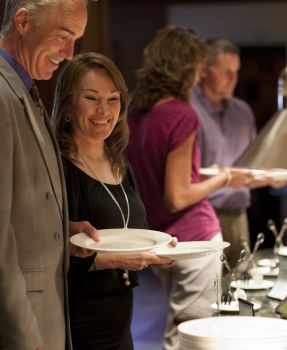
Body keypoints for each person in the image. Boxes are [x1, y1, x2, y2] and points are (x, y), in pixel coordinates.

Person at [126, 26, 253, 350]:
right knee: (193, 335)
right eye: (197, 67)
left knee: (178, 329)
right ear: (185, 68)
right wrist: (223, 177)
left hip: (162, 236)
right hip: (195, 238)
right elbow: (178, 196)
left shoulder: (137, 113)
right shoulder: (181, 114)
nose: (199, 75)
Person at [52, 51, 174, 350]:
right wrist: (119, 260)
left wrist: (160, 248)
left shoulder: (119, 163)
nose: (103, 109)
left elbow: (136, 231)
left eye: (113, 98)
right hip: (78, 322)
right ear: (68, 105)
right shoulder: (56, 167)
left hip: (121, 319)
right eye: (91, 98)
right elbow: (48, 254)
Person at [0, 1, 99, 350]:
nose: (70, 53)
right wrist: (25, 338)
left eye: (76, 39)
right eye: (63, 36)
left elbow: (17, 212)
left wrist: (59, 231)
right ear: (23, 21)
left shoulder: (22, 87)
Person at [190, 38, 280, 269]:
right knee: (209, 290)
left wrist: (272, 174)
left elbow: (250, 165)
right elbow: (184, 177)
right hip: (201, 213)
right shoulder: (188, 110)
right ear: (204, 72)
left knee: (241, 284)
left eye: (237, 72)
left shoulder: (242, 112)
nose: (234, 79)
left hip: (240, 213)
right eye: (227, 72)